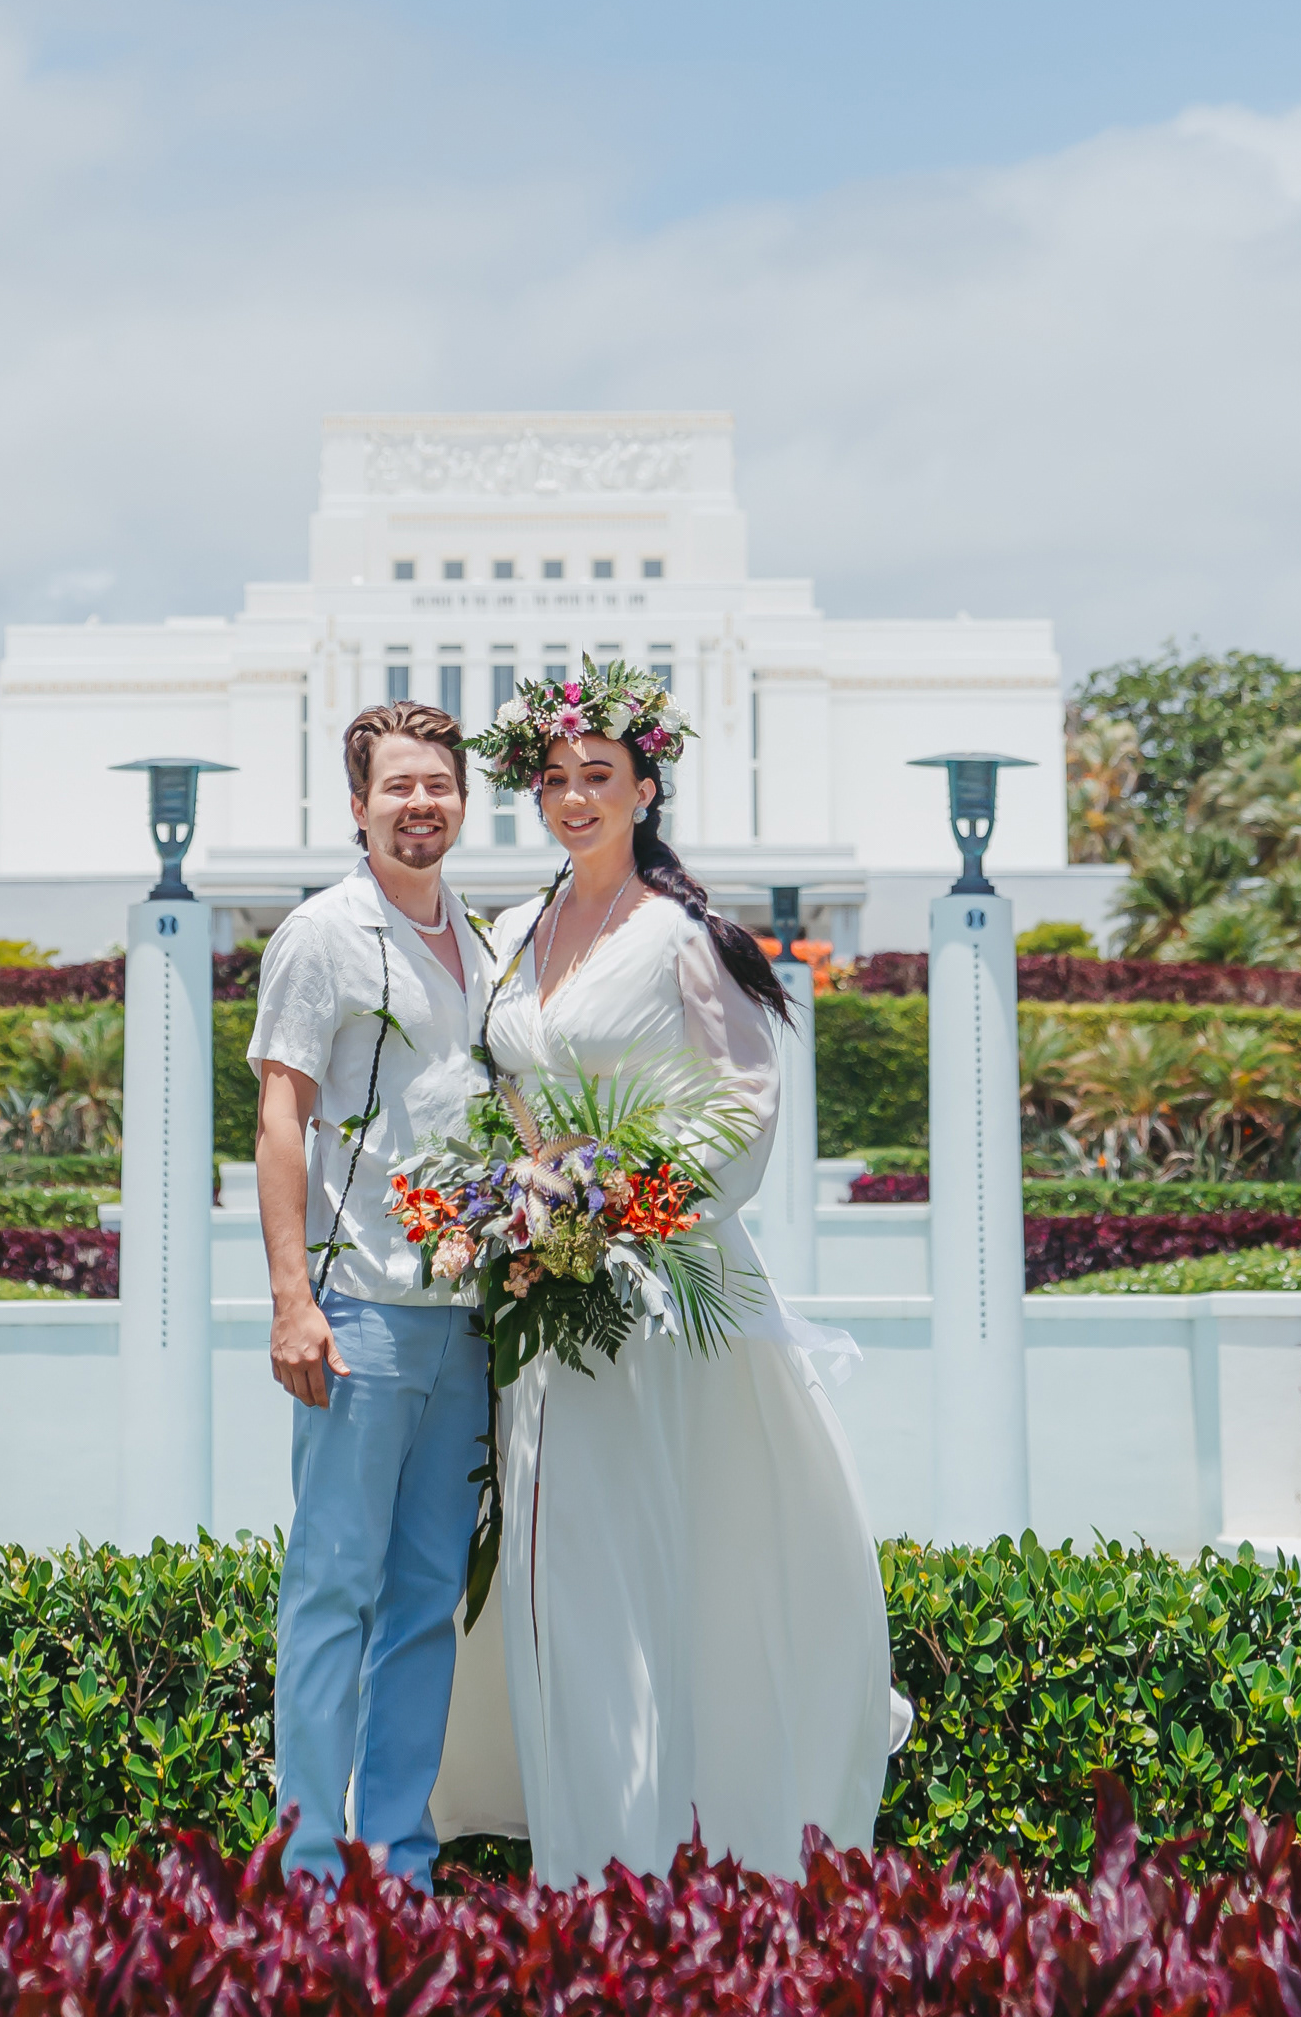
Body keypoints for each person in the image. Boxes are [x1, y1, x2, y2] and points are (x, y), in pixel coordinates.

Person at [443, 656, 903, 1886]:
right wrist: (502, 1203)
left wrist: (623, 1202)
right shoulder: (511, 933)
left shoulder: (685, 936)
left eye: (599, 774)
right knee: (553, 1562)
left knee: (653, 1558)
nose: (574, 797)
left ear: (645, 789)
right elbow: (486, 1092)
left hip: (656, 1291)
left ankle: (660, 1864)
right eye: (554, 777)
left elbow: (744, 1108)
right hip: (538, 1290)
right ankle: (579, 1863)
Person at [249, 699, 496, 1887]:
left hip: (468, 1320)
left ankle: (397, 1859)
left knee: (424, 1600)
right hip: (357, 1312)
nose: (419, 803)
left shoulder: (482, 942)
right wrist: (292, 1301)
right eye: (397, 785)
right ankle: (307, 1869)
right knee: (331, 1593)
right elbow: (279, 1117)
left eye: (437, 783)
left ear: (462, 800)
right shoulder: (321, 935)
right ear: (358, 805)